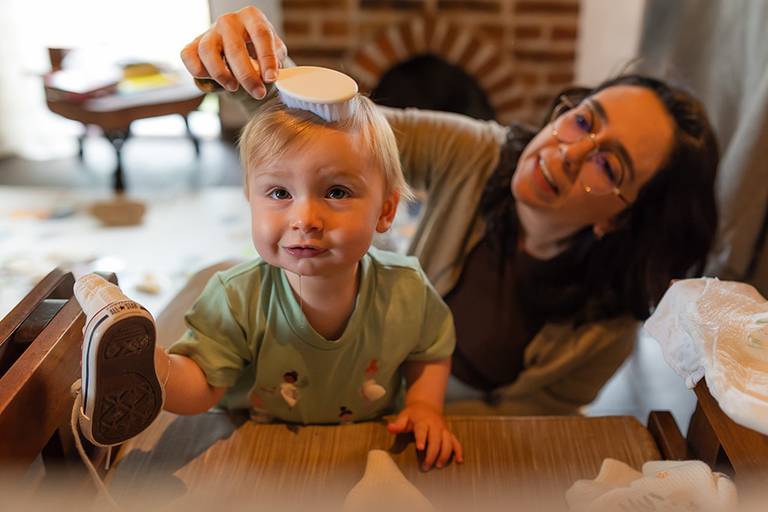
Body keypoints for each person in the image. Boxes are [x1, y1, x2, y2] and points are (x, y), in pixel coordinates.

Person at [179, 6, 719, 415]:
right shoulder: (477, 151)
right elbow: (344, 138)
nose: (567, 151)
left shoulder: (605, 326)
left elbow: (527, 425)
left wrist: (421, 418)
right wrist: (252, 67)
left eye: (607, 164)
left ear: (621, 217)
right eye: (582, 120)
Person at [76, 80, 463, 471]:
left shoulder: (406, 288)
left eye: (336, 192)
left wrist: (424, 406)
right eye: (279, 193)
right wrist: (154, 368)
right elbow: (203, 386)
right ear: (250, 199)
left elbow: (430, 351)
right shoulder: (236, 297)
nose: (305, 220)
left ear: (386, 210)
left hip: (369, 442)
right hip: (257, 447)